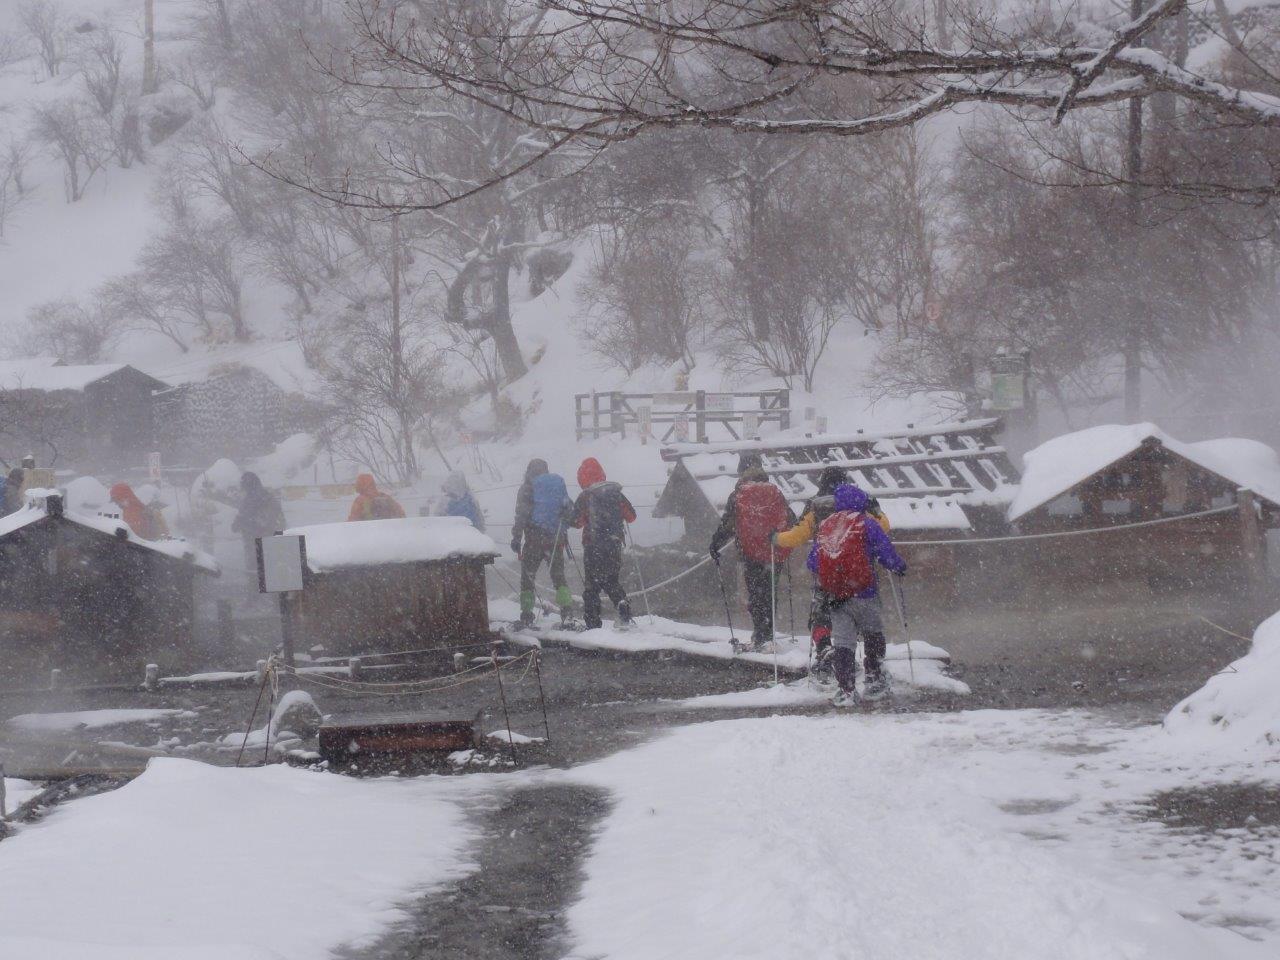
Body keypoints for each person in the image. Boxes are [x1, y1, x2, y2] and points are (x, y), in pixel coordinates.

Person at [774, 467, 891, 672]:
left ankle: (825, 649)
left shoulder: (816, 505)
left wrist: (775, 538)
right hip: (860, 572)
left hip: (827, 569)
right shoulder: (859, 502)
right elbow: (884, 527)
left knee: (821, 613)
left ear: (822, 482)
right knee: (866, 617)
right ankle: (873, 665)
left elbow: (797, 536)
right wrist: (876, 510)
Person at [808, 484, 906, 705]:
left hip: (837, 598)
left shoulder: (826, 525)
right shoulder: (866, 523)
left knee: (843, 643)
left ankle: (846, 690)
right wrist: (899, 566)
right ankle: (874, 679)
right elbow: (886, 553)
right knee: (873, 634)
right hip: (864, 592)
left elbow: (812, 562)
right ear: (861, 501)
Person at [709, 460, 795, 649]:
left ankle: (760, 634)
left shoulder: (738, 494)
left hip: (750, 553)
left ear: (742, 472)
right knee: (770, 593)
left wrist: (715, 544)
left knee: (756, 594)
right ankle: (768, 634)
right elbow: (791, 519)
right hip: (774, 552)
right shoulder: (775, 492)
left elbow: (728, 524)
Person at [570, 457, 636, 630]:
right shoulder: (615, 492)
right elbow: (631, 516)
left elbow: (576, 522)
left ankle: (593, 625)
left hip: (593, 546)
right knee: (612, 580)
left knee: (592, 587)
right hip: (614, 544)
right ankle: (623, 609)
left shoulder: (586, 496)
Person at [510, 459, 574, 626]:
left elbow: (521, 515)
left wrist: (516, 537)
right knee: (558, 577)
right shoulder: (554, 486)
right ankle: (567, 612)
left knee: (527, 578)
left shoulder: (527, 488)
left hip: (534, 540)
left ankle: (526, 615)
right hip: (555, 540)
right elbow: (569, 508)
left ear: (528, 471)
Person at [232, 472, 288, 571]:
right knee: (268, 571)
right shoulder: (267, 497)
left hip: (257, 543)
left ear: (247, 486)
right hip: (270, 543)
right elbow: (279, 521)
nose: (243, 490)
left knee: (256, 571)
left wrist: (240, 523)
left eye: (243, 486)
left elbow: (244, 519)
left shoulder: (252, 499)